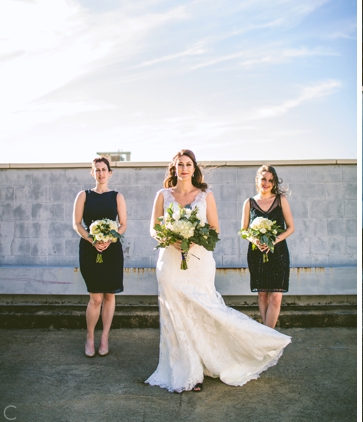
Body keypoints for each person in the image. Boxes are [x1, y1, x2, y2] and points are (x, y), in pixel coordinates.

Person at [146, 149, 291, 393]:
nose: (184, 168)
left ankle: (246, 345)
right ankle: (188, 369)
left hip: (199, 262)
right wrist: (170, 238)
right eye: (179, 164)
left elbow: (215, 229)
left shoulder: (205, 195)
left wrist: (193, 239)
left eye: (188, 164)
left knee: (204, 310)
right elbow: (153, 229)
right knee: (175, 315)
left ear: (194, 168)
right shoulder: (162, 195)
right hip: (170, 262)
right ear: (174, 168)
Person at [72, 156, 127, 358]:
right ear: (92, 173)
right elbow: (77, 223)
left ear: (110, 173)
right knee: (95, 297)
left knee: (109, 295)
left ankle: (104, 337)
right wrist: (93, 240)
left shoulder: (117, 196)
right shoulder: (83, 196)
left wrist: (110, 240)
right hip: (89, 248)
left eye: (104, 169)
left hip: (112, 249)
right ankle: (89, 337)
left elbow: (123, 225)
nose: (101, 173)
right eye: (97, 170)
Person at [241, 165, 294, 329]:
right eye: (264, 179)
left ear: (274, 182)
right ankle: (265, 337)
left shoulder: (281, 200)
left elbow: (291, 227)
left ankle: (268, 338)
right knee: (262, 295)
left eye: (271, 180)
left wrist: (273, 241)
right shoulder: (249, 203)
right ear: (257, 180)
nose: (267, 183)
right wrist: (256, 241)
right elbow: (244, 231)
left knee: (276, 296)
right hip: (257, 253)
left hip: (278, 253)